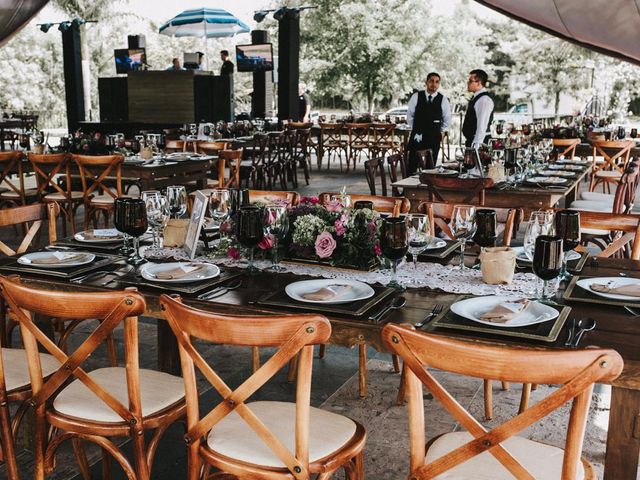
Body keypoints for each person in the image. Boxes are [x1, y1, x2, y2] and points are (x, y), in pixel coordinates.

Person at [406, 72, 452, 174]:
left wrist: (438, 130)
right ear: (426, 82)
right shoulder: (416, 96)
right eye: (431, 81)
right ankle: (407, 189)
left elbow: (447, 120)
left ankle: (427, 188)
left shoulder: (443, 99)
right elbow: (410, 116)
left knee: (430, 166)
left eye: (437, 82)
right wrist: (417, 128)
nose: (434, 84)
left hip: (433, 137)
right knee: (412, 164)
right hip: (417, 136)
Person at [463, 68, 494, 148]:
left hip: (480, 143)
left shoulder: (484, 100)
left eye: (470, 81)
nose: (468, 83)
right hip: (473, 141)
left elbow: (482, 126)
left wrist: (476, 148)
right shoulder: (477, 98)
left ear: (479, 83)